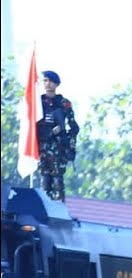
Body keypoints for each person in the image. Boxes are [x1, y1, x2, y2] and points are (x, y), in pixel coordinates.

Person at [36, 70, 78, 201]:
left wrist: (70, 146)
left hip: (58, 146)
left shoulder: (63, 103)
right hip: (42, 145)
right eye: (45, 81)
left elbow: (74, 127)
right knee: (45, 179)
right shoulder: (38, 102)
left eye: (51, 81)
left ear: (57, 84)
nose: (48, 84)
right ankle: (45, 209)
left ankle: (60, 209)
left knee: (58, 179)